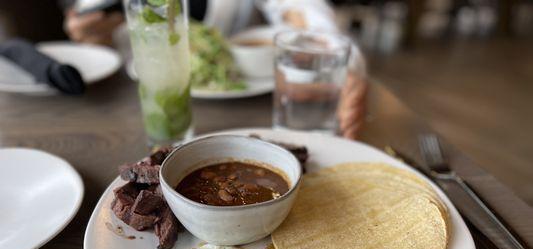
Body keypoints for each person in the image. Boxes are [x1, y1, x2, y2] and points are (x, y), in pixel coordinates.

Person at [62, 0, 367, 139]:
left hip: (246, 110)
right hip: (129, 108)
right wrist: (90, 33)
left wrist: (339, 61)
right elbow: (91, 37)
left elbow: (301, 8)